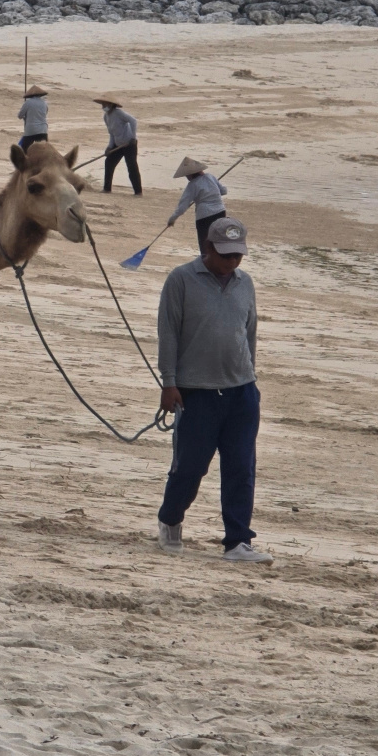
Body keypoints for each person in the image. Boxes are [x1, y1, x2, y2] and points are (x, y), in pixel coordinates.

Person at [156, 215, 270, 564]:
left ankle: (238, 541)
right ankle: (170, 520)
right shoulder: (181, 279)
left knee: (241, 467)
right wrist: (169, 382)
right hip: (197, 392)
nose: (232, 262)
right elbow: (168, 332)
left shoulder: (245, 283)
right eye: (226, 255)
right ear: (208, 248)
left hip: (241, 392)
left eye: (238, 255)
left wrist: (250, 378)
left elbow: (249, 332)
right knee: (190, 467)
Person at [166, 156, 226, 254]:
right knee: (219, 242)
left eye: (186, 175)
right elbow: (223, 191)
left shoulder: (192, 185)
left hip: (205, 216)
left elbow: (182, 207)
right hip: (221, 212)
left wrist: (172, 219)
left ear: (190, 175)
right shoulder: (210, 177)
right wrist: (213, 187)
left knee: (205, 244)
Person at [97, 97, 142, 194]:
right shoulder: (106, 117)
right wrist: (109, 147)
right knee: (109, 162)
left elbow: (133, 121)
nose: (103, 106)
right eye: (102, 104)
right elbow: (112, 134)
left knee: (131, 166)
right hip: (118, 145)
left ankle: (138, 192)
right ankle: (107, 189)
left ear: (111, 105)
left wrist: (133, 137)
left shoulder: (119, 113)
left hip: (129, 143)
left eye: (105, 104)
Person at [17, 84, 49, 152]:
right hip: (43, 129)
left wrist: (26, 117)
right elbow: (45, 113)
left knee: (25, 149)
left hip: (31, 130)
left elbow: (20, 116)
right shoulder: (44, 103)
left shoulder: (28, 102)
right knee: (43, 150)